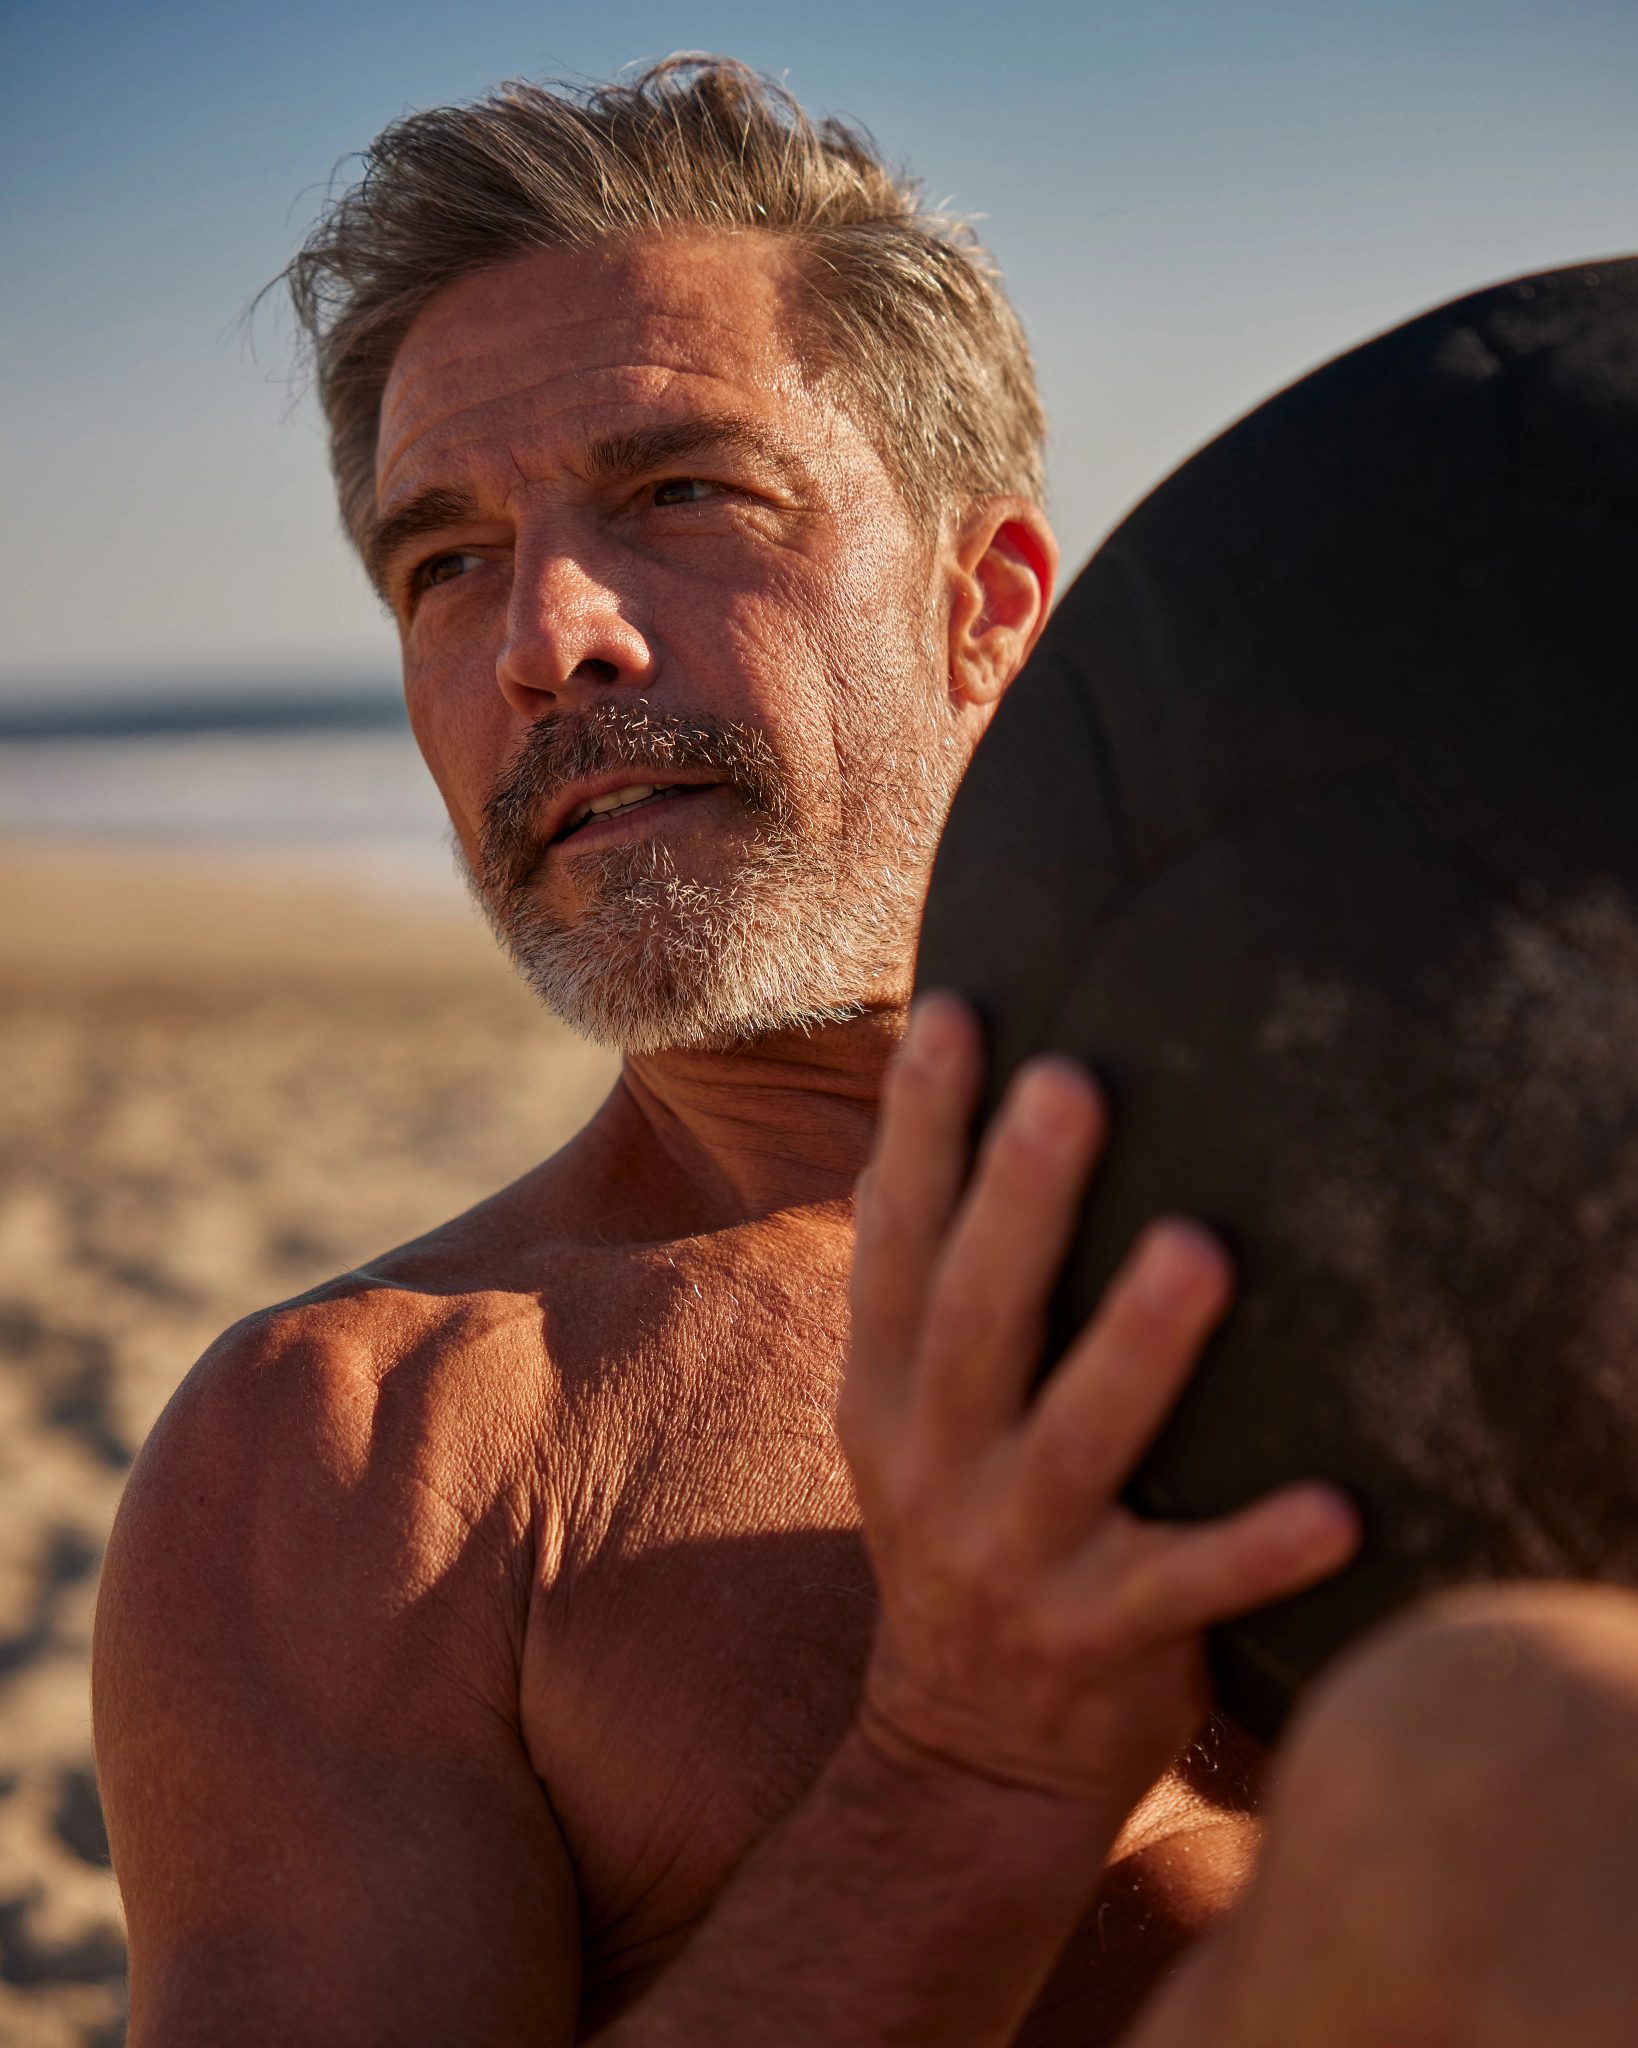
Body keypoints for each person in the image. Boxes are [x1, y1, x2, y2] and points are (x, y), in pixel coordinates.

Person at [90, 56, 1638, 2048]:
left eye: (678, 495)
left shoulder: (1505, 1174)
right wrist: (959, 1772)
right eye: (444, 563)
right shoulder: (376, 1460)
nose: (547, 633)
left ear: (986, 606)